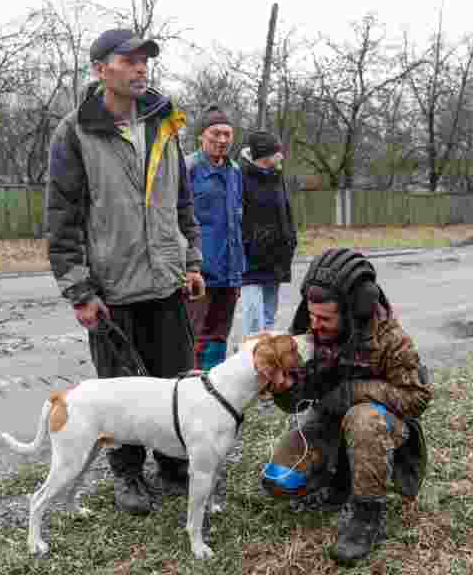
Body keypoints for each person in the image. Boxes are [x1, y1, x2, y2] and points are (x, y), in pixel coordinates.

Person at [44, 28, 205, 515]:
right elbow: (62, 217)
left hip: (168, 283)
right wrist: (79, 290)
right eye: (128, 60)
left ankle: (175, 468)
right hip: (112, 290)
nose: (140, 68)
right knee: (120, 393)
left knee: (175, 382)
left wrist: (192, 260)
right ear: (100, 70)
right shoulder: (74, 132)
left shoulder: (164, 124)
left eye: (145, 60)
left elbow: (182, 201)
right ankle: (129, 475)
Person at [261, 248, 432, 565]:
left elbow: (417, 396)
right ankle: (337, 482)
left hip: (379, 425)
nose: (316, 324)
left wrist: (355, 391)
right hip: (329, 422)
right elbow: (294, 403)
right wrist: (284, 390)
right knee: (280, 479)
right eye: (311, 315)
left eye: (325, 318)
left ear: (354, 310)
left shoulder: (391, 338)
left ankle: (368, 515)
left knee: (362, 418)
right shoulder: (308, 332)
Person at [185, 104, 245, 370]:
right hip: (200, 271)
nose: (222, 140)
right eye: (215, 134)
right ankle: (190, 386)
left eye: (227, 134)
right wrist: (188, 266)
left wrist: (239, 270)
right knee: (194, 335)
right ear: (202, 136)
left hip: (229, 271)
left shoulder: (235, 172)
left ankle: (214, 381)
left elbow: (237, 219)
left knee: (219, 335)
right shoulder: (188, 169)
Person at [239, 130, 297, 337]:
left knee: (269, 321)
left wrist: (290, 239)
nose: (281, 156)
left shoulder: (276, 175)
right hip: (252, 261)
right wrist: (250, 243)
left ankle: (265, 364)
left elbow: (285, 211)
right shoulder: (241, 176)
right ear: (264, 156)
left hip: (276, 259)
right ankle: (251, 364)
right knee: (254, 326)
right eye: (276, 152)